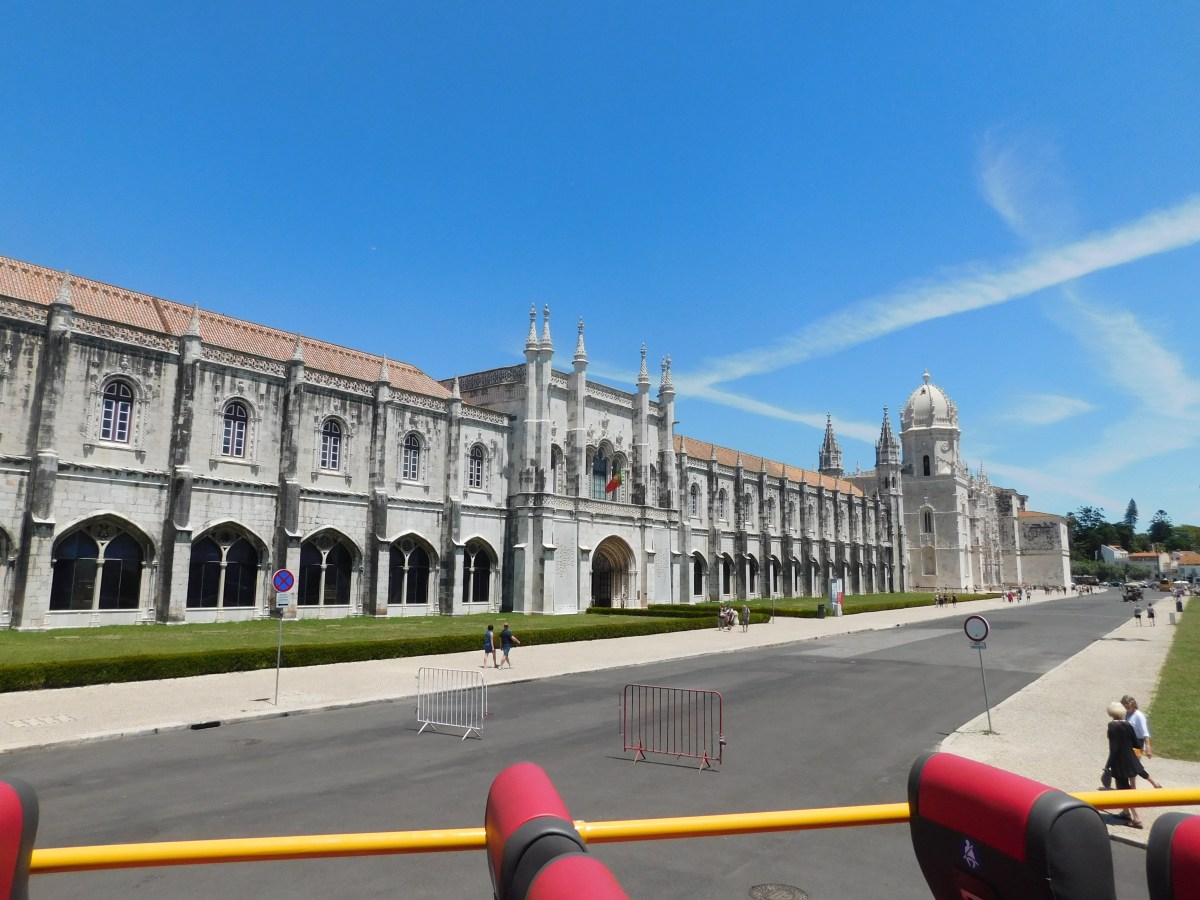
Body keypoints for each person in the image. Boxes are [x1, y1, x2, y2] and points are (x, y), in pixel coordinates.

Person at [1104, 700, 1162, 828]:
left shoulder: (1112, 726)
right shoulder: (1128, 724)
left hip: (1119, 762)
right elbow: (1136, 743)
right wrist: (1133, 753)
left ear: (1111, 713)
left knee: (1124, 790)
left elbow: (1113, 749)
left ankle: (1137, 818)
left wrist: (1107, 766)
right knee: (1139, 771)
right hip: (1131, 756)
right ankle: (1126, 811)